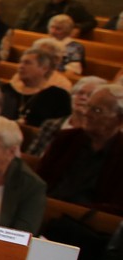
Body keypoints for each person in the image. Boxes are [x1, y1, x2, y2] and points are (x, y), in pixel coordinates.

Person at [37, 83, 123, 214]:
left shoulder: (120, 152)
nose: (86, 113)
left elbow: (116, 207)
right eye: (88, 106)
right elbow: (40, 180)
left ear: (119, 119)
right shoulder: (66, 139)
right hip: (46, 208)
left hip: (89, 221)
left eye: (97, 110)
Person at [27, 75, 105, 156]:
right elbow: (31, 155)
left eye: (90, 95)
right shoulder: (51, 124)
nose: (83, 98)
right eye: (80, 93)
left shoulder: (97, 136)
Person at [1, 48, 71, 126]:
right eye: (20, 62)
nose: (21, 66)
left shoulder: (58, 96)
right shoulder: (7, 90)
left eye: (27, 63)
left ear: (44, 68)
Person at [47, 14, 87, 78]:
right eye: (52, 27)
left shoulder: (75, 48)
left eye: (58, 29)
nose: (53, 31)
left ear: (67, 31)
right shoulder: (44, 43)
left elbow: (71, 72)